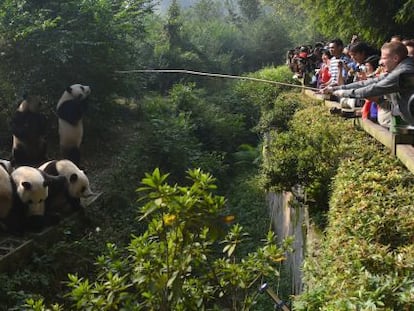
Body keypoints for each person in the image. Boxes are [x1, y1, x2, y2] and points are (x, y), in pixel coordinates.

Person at [321, 41, 414, 130]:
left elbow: (374, 89)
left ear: (395, 58)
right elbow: (368, 83)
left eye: (384, 58)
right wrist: (335, 89)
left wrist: (343, 93)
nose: (380, 62)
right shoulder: (398, 68)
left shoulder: (403, 72)